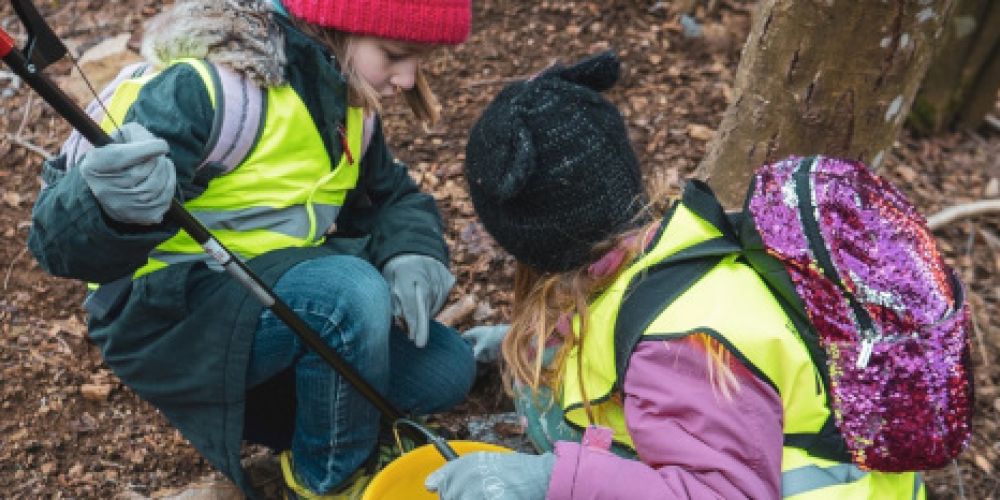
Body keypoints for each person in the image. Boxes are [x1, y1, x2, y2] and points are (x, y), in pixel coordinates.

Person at [427, 52, 925, 499]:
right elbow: (610, 311)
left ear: (533, 243)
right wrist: (540, 343)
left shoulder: (677, 347)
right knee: (546, 396)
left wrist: (549, 480)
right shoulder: (671, 239)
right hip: (755, 457)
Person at [28, 0, 476, 497]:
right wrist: (109, 203)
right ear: (336, 27)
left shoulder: (347, 106)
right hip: (168, 321)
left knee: (445, 370)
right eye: (394, 55)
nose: (408, 80)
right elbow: (57, 246)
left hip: (275, 308)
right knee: (348, 294)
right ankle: (326, 478)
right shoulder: (208, 91)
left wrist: (412, 251)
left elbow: (390, 197)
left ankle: (320, 417)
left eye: (420, 62)